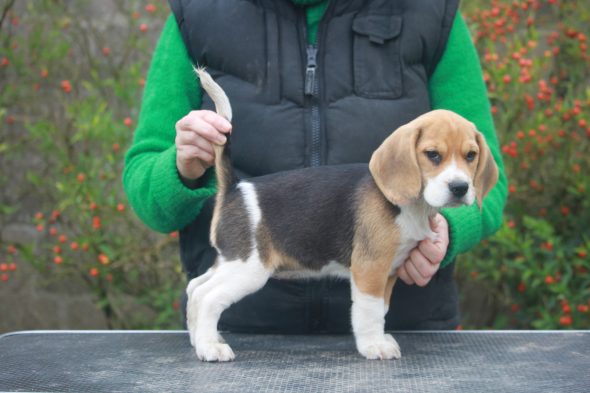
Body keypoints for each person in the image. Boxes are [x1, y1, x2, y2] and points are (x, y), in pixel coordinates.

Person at [123, 0, 507, 333]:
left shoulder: (431, 12)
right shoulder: (197, 13)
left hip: (406, 332)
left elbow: (486, 180)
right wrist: (182, 169)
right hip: (246, 330)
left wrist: (444, 231)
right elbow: (145, 186)